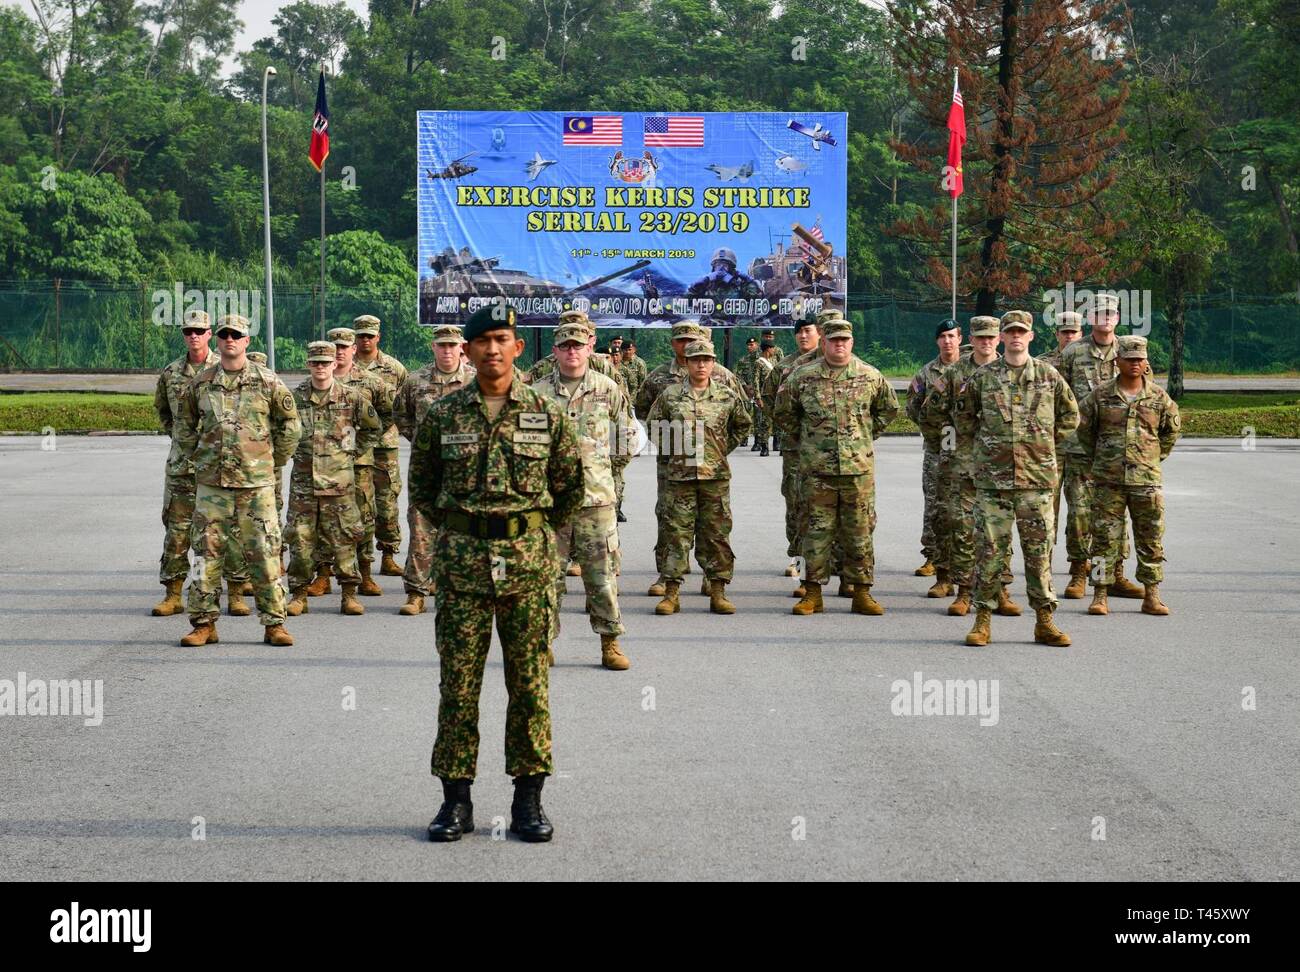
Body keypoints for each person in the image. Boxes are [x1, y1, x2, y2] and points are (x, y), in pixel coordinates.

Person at [410, 305, 583, 844]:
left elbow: (569, 487)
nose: (490, 349)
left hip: (528, 571)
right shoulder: (443, 415)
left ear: (516, 347)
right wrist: (468, 530)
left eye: (500, 338)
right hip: (462, 570)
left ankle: (528, 801)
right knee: (457, 687)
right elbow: (423, 489)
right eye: (480, 340)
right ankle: (455, 802)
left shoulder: (547, 412)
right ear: (466, 349)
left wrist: (524, 530)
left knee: (529, 686)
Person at [175, 315, 300, 647]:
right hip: (212, 486)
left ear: (247, 341)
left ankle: (274, 624)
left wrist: (272, 461)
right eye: (224, 335)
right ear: (217, 340)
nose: (230, 339)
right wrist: (199, 458)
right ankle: (203, 623)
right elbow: (184, 427)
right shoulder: (200, 384)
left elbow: (290, 425)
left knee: (265, 552)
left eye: (236, 335)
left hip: (255, 486)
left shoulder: (268, 382)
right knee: (205, 554)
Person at [954, 310, 1078, 647]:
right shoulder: (983, 377)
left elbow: (1071, 415)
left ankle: (1044, 621)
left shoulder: (1049, 377)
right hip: (993, 484)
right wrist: (983, 451)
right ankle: (982, 620)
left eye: (1022, 331)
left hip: (1036, 483)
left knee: (1039, 556)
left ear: (1032, 336)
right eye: (1010, 332)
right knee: (989, 553)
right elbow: (963, 419)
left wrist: (1047, 445)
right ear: (1002, 337)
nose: (1016, 337)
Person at [776, 316, 898, 616]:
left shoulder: (870, 376)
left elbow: (888, 409)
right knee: (814, 532)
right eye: (833, 340)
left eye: (844, 340)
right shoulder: (802, 377)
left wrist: (864, 436)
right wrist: (809, 441)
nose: (839, 345)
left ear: (851, 343)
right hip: (817, 472)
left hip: (858, 471)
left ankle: (861, 592)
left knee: (860, 532)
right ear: (824, 342)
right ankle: (812, 593)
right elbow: (783, 414)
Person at [531, 319, 633, 669]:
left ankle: (610, 643)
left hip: (596, 501)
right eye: (565, 346)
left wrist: (604, 470)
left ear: (590, 348)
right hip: (550, 505)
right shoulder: (538, 394)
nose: (572, 351)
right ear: (556, 351)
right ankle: (543, 644)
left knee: (602, 578)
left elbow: (626, 435)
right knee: (545, 579)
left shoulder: (608, 388)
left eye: (578, 345)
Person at [634, 320, 748, 597]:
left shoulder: (722, 376)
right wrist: (672, 445)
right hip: (672, 466)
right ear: (673, 343)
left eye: (691, 340)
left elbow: (740, 419)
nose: (686, 346)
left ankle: (713, 576)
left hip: (711, 465)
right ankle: (667, 575)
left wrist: (719, 448)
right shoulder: (659, 377)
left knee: (713, 522)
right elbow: (644, 411)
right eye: (680, 340)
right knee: (671, 519)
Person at [152, 311, 251, 617]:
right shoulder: (171, 373)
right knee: (178, 530)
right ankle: (173, 593)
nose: (193, 335)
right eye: (188, 330)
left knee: (228, 531)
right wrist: (184, 441)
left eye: (199, 330)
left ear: (211, 334)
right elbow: (165, 413)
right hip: (183, 466)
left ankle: (236, 592)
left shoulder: (223, 369)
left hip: (220, 466)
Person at [1075, 336, 1181, 617]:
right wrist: (1100, 457)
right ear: (1117, 361)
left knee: (1150, 538)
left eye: (1139, 359)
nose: (1135, 363)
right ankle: (1099, 594)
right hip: (1107, 481)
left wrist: (1152, 457)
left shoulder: (1159, 398)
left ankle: (1152, 595)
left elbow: (1170, 433)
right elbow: (1083, 430)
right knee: (1103, 539)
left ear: (1146, 362)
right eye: (1129, 358)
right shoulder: (1100, 395)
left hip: (1146, 481)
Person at [919, 316, 1016, 617]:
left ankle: (1001, 589)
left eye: (991, 337)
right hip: (962, 464)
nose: (986, 342)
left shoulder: (1013, 372)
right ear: (970, 340)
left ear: (998, 339)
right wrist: (948, 445)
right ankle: (963, 590)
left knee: (998, 529)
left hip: (1000, 464)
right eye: (980, 337)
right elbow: (928, 412)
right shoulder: (953, 374)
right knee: (961, 527)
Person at [284, 342, 382, 617]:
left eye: (325, 363)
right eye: (316, 363)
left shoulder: (352, 397)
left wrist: (350, 452)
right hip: (304, 485)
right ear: (308, 364)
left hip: (339, 484)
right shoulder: (296, 397)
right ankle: (299, 594)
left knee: (344, 540)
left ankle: (349, 594)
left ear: (333, 365)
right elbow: (280, 429)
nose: (321, 368)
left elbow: (373, 428)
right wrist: (290, 452)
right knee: (300, 542)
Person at [1056, 293, 1142, 599]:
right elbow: (1059, 399)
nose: (1105, 318)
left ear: (1117, 318)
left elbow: (1144, 397)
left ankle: (1115, 574)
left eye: (1111, 313)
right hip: (1080, 448)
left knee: (1115, 515)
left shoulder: (1129, 351)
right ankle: (1080, 571)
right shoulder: (1073, 353)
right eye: (1099, 313)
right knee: (1080, 512)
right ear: (1090, 318)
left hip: (1119, 450)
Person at [393, 325, 476, 616]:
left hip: (463, 470)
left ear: (462, 347)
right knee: (421, 529)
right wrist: (421, 440)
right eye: (442, 345)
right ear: (433, 347)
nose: (447, 350)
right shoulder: (416, 381)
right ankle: (416, 592)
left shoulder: (475, 381)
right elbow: (401, 415)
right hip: (426, 470)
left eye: (452, 345)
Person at [320, 327, 395, 599]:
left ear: (353, 350)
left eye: (344, 346)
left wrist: (361, 445)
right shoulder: (319, 379)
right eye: (335, 346)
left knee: (362, 517)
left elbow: (388, 413)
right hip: (325, 465)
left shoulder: (370, 381)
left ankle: (364, 574)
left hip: (359, 463)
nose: (339, 351)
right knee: (325, 520)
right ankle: (323, 574)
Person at [760, 313, 827, 583]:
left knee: (832, 510)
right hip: (797, 450)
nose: (803, 336)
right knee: (797, 507)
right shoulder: (784, 367)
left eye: (808, 331)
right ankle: (799, 562)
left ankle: (836, 566)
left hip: (829, 451)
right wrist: (789, 426)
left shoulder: (830, 362)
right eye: (799, 332)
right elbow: (768, 399)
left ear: (819, 333)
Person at [906, 319, 963, 588]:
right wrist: (932, 430)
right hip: (937, 449)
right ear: (937, 341)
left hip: (969, 449)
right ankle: (932, 556)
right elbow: (913, 408)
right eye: (943, 336)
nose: (947, 341)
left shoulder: (975, 369)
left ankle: (965, 560)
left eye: (952, 336)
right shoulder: (926, 374)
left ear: (960, 338)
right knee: (935, 504)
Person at [352, 314, 409, 577]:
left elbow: (404, 406)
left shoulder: (394, 368)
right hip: (354, 446)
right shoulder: (345, 365)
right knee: (356, 502)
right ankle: (355, 559)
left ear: (378, 337)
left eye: (369, 335)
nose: (365, 340)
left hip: (385, 446)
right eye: (361, 335)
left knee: (387, 501)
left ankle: (388, 554)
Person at [1037, 311, 1082, 548]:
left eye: (1073, 332)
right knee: (1045, 505)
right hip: (1050, 444)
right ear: (1057, 334)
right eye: (1065, 333)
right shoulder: (1042, 363)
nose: (1069, 337)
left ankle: (1080, 565)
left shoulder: (1089, 361)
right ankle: (1044, 561)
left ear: (1081, 333)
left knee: (1081, 507)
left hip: (1081, 446)